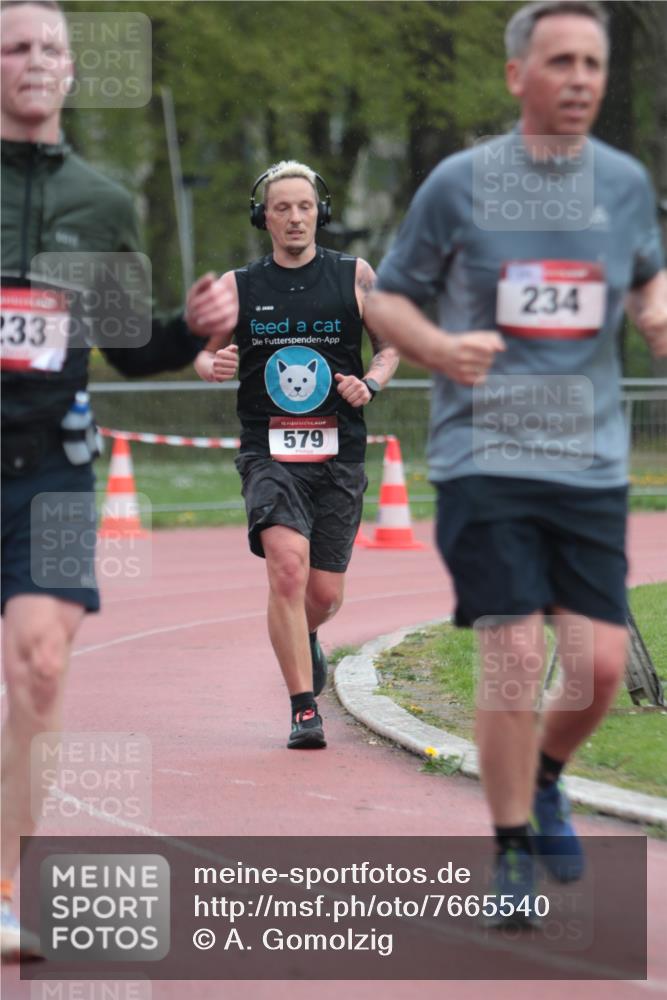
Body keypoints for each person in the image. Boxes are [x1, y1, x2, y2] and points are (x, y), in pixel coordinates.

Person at [364, 0, 666, 920]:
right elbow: (388, 303)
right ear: (515, 76)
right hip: (484, 453)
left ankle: (543, 777)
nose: (579, 78)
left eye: (592, 63)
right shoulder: (459, 185)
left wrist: (655, 310)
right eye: (560, 61)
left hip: (587, 461)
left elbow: (648, 271)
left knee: (601, 666)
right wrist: (440, 348)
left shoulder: (619, 183)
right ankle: (506, 856)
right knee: (510, 654)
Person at [0, 0, 223, 959]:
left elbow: (131, 350)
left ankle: (7, 888)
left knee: (41, 666)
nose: (37, 59)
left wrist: (194, 325)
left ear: (73, 71)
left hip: (52, 467)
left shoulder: (100, 200)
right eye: (15, 45)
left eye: (53, 46)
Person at [188, 160, 399, 752]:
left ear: (320, 212)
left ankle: (304, 634)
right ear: (264, 217)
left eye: (304, 206)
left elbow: (388, 349)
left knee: (325, 594)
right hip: (268, 449)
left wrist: (372, 383)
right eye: (281, 207)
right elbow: (204, 355)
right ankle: (304, 708)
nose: (294, 217)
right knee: (286, 565)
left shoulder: (356, 276)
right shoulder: (239, 286)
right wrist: (214, 365)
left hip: (339, 452)